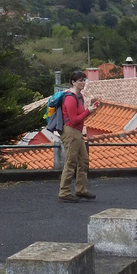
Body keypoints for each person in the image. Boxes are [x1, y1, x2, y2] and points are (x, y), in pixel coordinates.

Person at [58, 69, 99, 203]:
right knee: (71, 161)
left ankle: (80, 189)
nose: (83, 83)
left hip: (77, 131)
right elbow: (73, 119)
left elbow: (79, 117)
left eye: (83, 80)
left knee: (83, 161)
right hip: (71, 131)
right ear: (73, 82)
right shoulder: (70, 98)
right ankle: (64, 192)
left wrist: (90, 111)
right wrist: (88, 111)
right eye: (80, 80)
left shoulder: (79, 96)